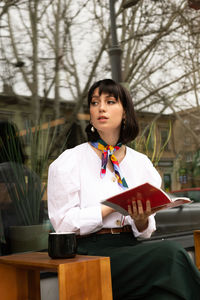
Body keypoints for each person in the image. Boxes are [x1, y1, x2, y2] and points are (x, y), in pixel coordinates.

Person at [48, 79, 200, 300]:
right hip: (88, 254)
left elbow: (146, 230)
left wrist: (140, 219)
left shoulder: (141, 163)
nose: (101, 108)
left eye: (110, 102)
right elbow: (63, 223)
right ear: (90, 113)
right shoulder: (71, 160)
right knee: (171, 253)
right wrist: (110, 207)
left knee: (166, 296)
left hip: (130, 248)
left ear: (125, 113)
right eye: (94, 102)